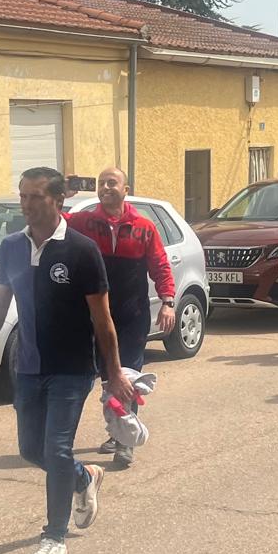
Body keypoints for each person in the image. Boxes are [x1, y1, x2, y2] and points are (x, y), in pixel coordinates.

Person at [0, 168, 134, 554]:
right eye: (22, 196)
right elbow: (0, 301)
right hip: (28, 366)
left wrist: (113, 373)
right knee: (31, 450)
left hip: (72, 368)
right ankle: (83, 477)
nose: (26, 204)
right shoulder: (11, 247)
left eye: (36, 196)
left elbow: (103, 320)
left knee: (56, 448)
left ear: (58, 200)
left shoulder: (82, 250)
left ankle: (54, 540)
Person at [66, 166, 177, 468]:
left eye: (112, 183)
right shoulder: (83, 222)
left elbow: (160, 265)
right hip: (94, 316)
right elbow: (51, 224)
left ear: (125, 190)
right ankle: (117, 431)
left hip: (131, 316)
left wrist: (168, 301)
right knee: (107, 378)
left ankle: (125, 442)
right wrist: (62, 194)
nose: (105, 187)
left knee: (126, 376)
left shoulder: (144, 227)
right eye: (101, 183)